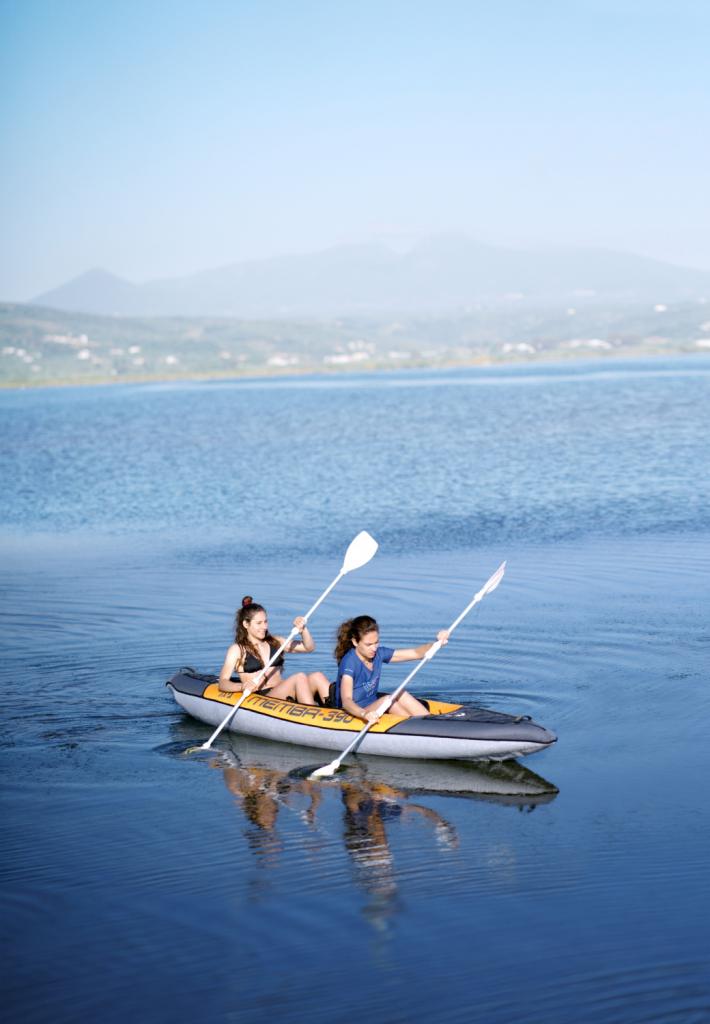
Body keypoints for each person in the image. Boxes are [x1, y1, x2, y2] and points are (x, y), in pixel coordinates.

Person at [333, 615, 449, 723]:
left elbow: (416, 653)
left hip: (373, 704)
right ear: (355, 642)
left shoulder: (378, 653)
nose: (374, 648)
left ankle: (431, 722)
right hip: (356, 711)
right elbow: (347, 701)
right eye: (368, 644)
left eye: (376, 642)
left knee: (401, 693)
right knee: (388, 701)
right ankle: (417, 728)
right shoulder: (349, 662)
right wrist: (364, 714)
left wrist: (438, 643)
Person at [218, 596, 331, 704]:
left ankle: (337, 710)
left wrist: (303, 630)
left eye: (265, 622)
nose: (264, 627)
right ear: (246, 624)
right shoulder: (237, 649)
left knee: (318, 676)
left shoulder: (276, 642)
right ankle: (310, 719)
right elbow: (223, 682)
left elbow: (309, 647)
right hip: (262, 696)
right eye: (259, 623)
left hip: (283, 690)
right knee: (299, 677)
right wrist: (242, 686)